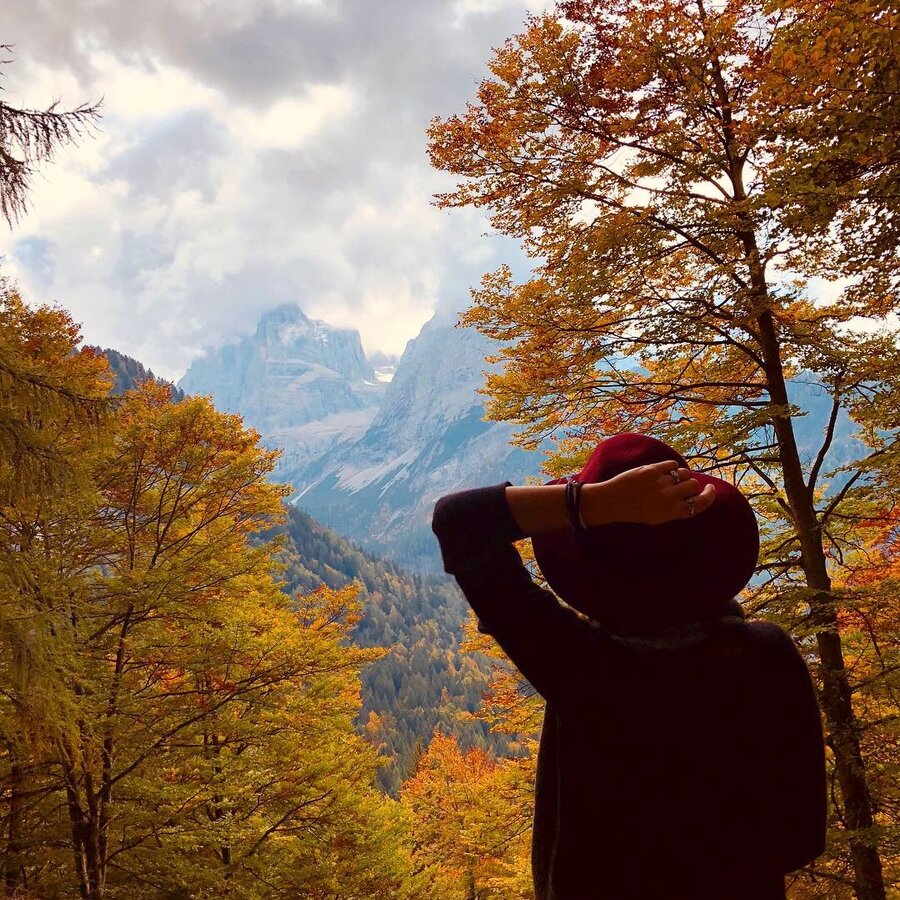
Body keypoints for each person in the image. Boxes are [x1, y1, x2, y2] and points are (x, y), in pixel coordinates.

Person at [431, 433, 826, 900]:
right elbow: (800, 841)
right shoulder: (767, 655)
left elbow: (458, 522)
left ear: (588, 567)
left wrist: (590, 504)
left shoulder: (584, 667)